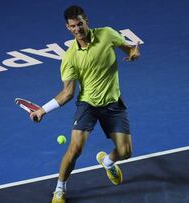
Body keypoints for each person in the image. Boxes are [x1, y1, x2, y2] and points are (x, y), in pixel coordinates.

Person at [29, 5, 140, 203]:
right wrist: (42, 110)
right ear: (68, 28)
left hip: (113, 102)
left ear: (86, 21)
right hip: (88, 105)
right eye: (73, 26)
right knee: (75, 149)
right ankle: (60, 189)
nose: (77, 29)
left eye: (80, 24)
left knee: (125, 152)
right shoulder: (70, 57)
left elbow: (128, 48)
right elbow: (67, 93)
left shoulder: (107, 34)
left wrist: (132, 53)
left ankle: (107, 162)